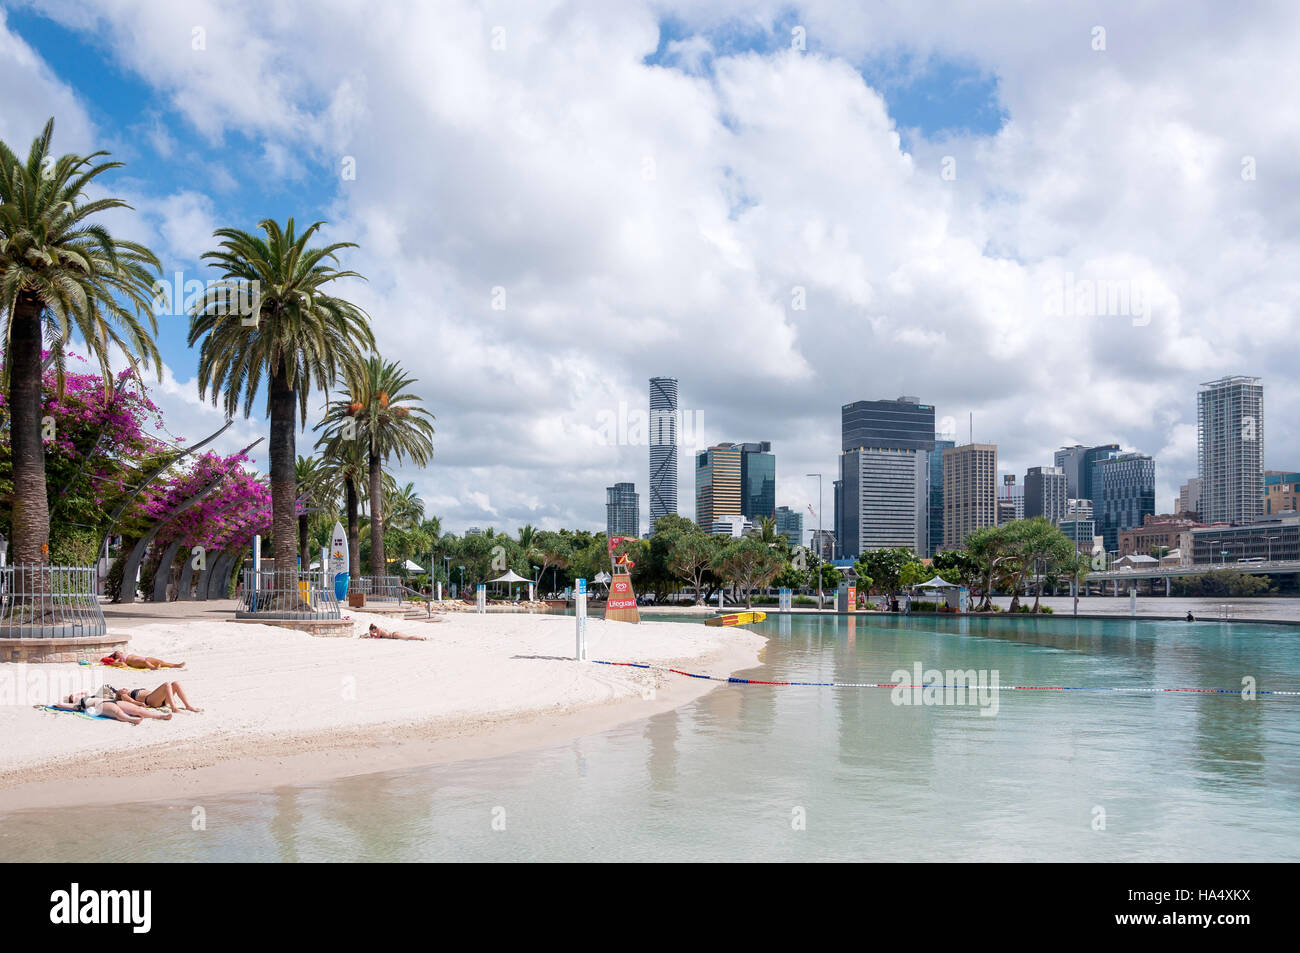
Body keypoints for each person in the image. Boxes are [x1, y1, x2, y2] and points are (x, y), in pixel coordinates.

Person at [48, 690, 172, 725]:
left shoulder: (90, 696)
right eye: (75, 695)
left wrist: (83, 694)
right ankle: (132, 720)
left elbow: (84, 691)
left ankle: (160, 716)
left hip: (109, 700)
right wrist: (49, 705)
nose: (78, 694)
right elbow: (60, 705)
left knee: (137, 709)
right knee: (117, 711)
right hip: (100, 706)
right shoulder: (78, 704)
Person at [116, 681, 202, 713]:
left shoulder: (131, 690)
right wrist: (141, 704)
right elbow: (131, 701)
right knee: (166, 684)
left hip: (159, 699)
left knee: (175, 683)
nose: (123, 688)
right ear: (119, 695)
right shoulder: (124, 695)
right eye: (121, 689)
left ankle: (188, 706)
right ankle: (174, 708)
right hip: (150, 701)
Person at [100, 650, 185, 670]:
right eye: (118, 652)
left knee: (161, 662)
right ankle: (153, 668)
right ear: (116, 655)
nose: (120, 652)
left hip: (144, 657)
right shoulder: (118, 659)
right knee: (145, 663)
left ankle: (176, 665)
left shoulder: (125, 654)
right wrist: (121, 663)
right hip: (134, 662)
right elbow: (114, 664)